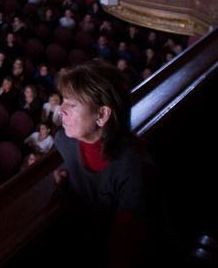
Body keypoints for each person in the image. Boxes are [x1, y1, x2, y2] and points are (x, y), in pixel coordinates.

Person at [53, 60, 162, 267]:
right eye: (64, 100)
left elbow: (124, 253)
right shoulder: (64, 141)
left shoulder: (134, 170)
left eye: (72, 104)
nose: (61, 110)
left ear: (102, 115)